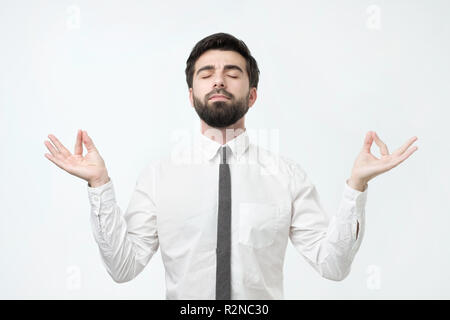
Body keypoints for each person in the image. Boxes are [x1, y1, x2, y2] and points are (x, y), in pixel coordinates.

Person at [44, 32, 418, 300]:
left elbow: (332, 266)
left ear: (252, 95)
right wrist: (99, 185)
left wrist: (356, 186)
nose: (219, 80)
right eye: (206, 74)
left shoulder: (287, 176)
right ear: (191, 96)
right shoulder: (159, 177)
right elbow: (123, 269)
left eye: (232, 73)